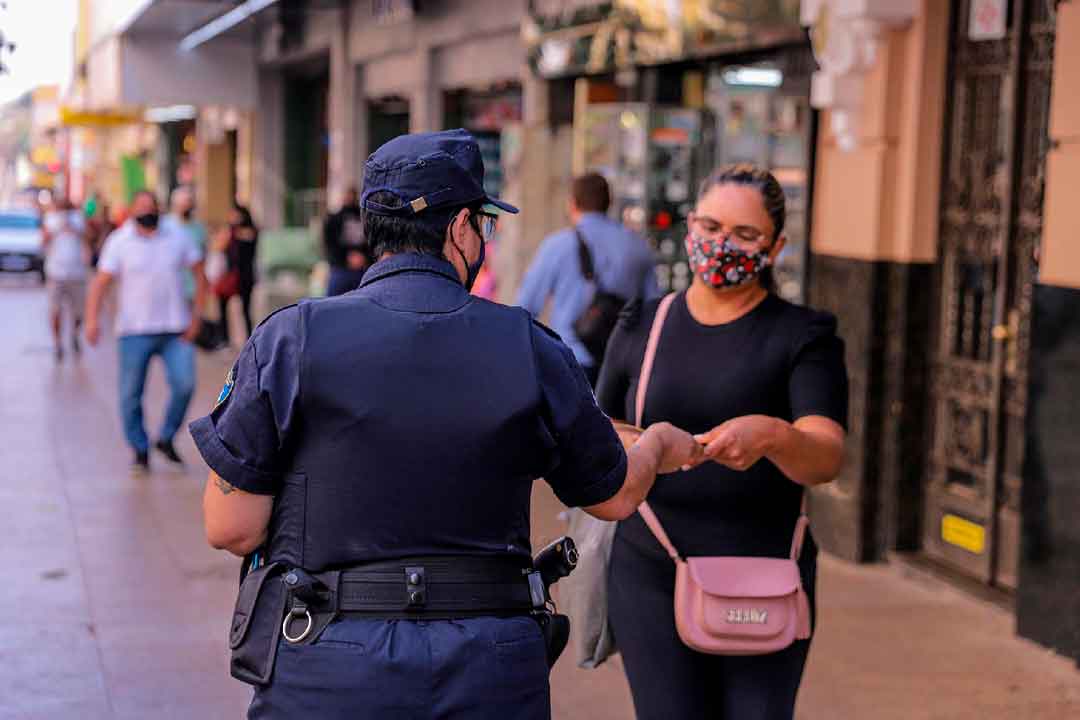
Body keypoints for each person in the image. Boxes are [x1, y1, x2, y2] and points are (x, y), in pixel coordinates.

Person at [188, 129, 702, 720]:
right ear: (461, 228)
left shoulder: (289, 339)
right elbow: (612, 496)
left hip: (328, 664)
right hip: (489, 667)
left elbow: (231, 527)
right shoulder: (529, 346)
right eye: (482, 223)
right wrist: (659, 443)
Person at [595, 164, 849, 720]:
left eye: (744, 235)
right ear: (689, 227)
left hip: (767, 575)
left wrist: (776, 436)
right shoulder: (644, 322)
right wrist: (652, 444)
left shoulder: (804, 335)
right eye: (709, 227)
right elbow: (596, 428)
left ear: (776, 246)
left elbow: (825, 455)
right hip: (650, 567)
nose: (720, 245)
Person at [85, 190, 206, 475]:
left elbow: (201, 275)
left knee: (185, 384)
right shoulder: (119, 241)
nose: (146, 212)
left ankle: (165, 437)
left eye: (151, 207)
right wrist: (92, 320)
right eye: (141, 207)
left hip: (176, 329)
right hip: (133, 331)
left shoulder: (177, 236)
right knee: (130, 394)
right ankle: (139, 449)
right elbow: (101, 283)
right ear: (130, 210)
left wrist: (197, 318)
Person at [516, 173, 660, 386]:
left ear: (572, 204)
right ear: (609, 203)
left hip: (568, 363)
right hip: (621, 366)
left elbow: (524, 309)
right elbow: (653, 310)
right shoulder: (638, 247)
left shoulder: (557, 246)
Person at [41, 195, 91, 361]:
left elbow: (89, 238)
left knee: (78, 311)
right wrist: (55, 230)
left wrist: (77, 230)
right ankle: (57, 343)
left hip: (77, 273)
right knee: (55, 310)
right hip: (56, 272)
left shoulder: (79, 219)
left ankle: (74, 335)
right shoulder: (50, 219)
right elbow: (43, 240)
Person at [216, 203, 259, 343]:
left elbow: (249, 240)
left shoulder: (250, 232)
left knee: (246, 310)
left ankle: (249, 339)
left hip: (244, 276)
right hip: (229, 275)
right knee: (222, 307)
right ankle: (224, 339)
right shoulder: (229, 232)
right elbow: (218, 247)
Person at [164, 185, 208, 304]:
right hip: (170, 289)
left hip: (192, 289)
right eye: (184, 203)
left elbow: (203, 255)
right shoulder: (164, 226)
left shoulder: (199, 228)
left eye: (190, 202)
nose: (188, 206)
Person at [322, 185, 370, 296]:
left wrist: (364, 258)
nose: (349, 198)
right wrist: (345, 258)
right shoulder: (334, 219)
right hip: (341, 267)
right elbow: (329, 243)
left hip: (363, 268)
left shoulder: (365, 219)